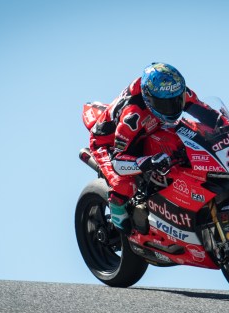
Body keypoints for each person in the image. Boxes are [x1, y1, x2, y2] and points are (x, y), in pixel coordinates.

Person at [87, 62, 218, 233]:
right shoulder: (132, 116)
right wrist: (148, 162)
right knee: (124, 184)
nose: (172, 107)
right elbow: (118, 162)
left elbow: (210, 116)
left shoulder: (175, 90)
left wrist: (227, 129)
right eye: (165, 104)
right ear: (149, 99)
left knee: (191, 135)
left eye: (176, 101)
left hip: (152, 127)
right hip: (110, 143)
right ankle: (117, 207)